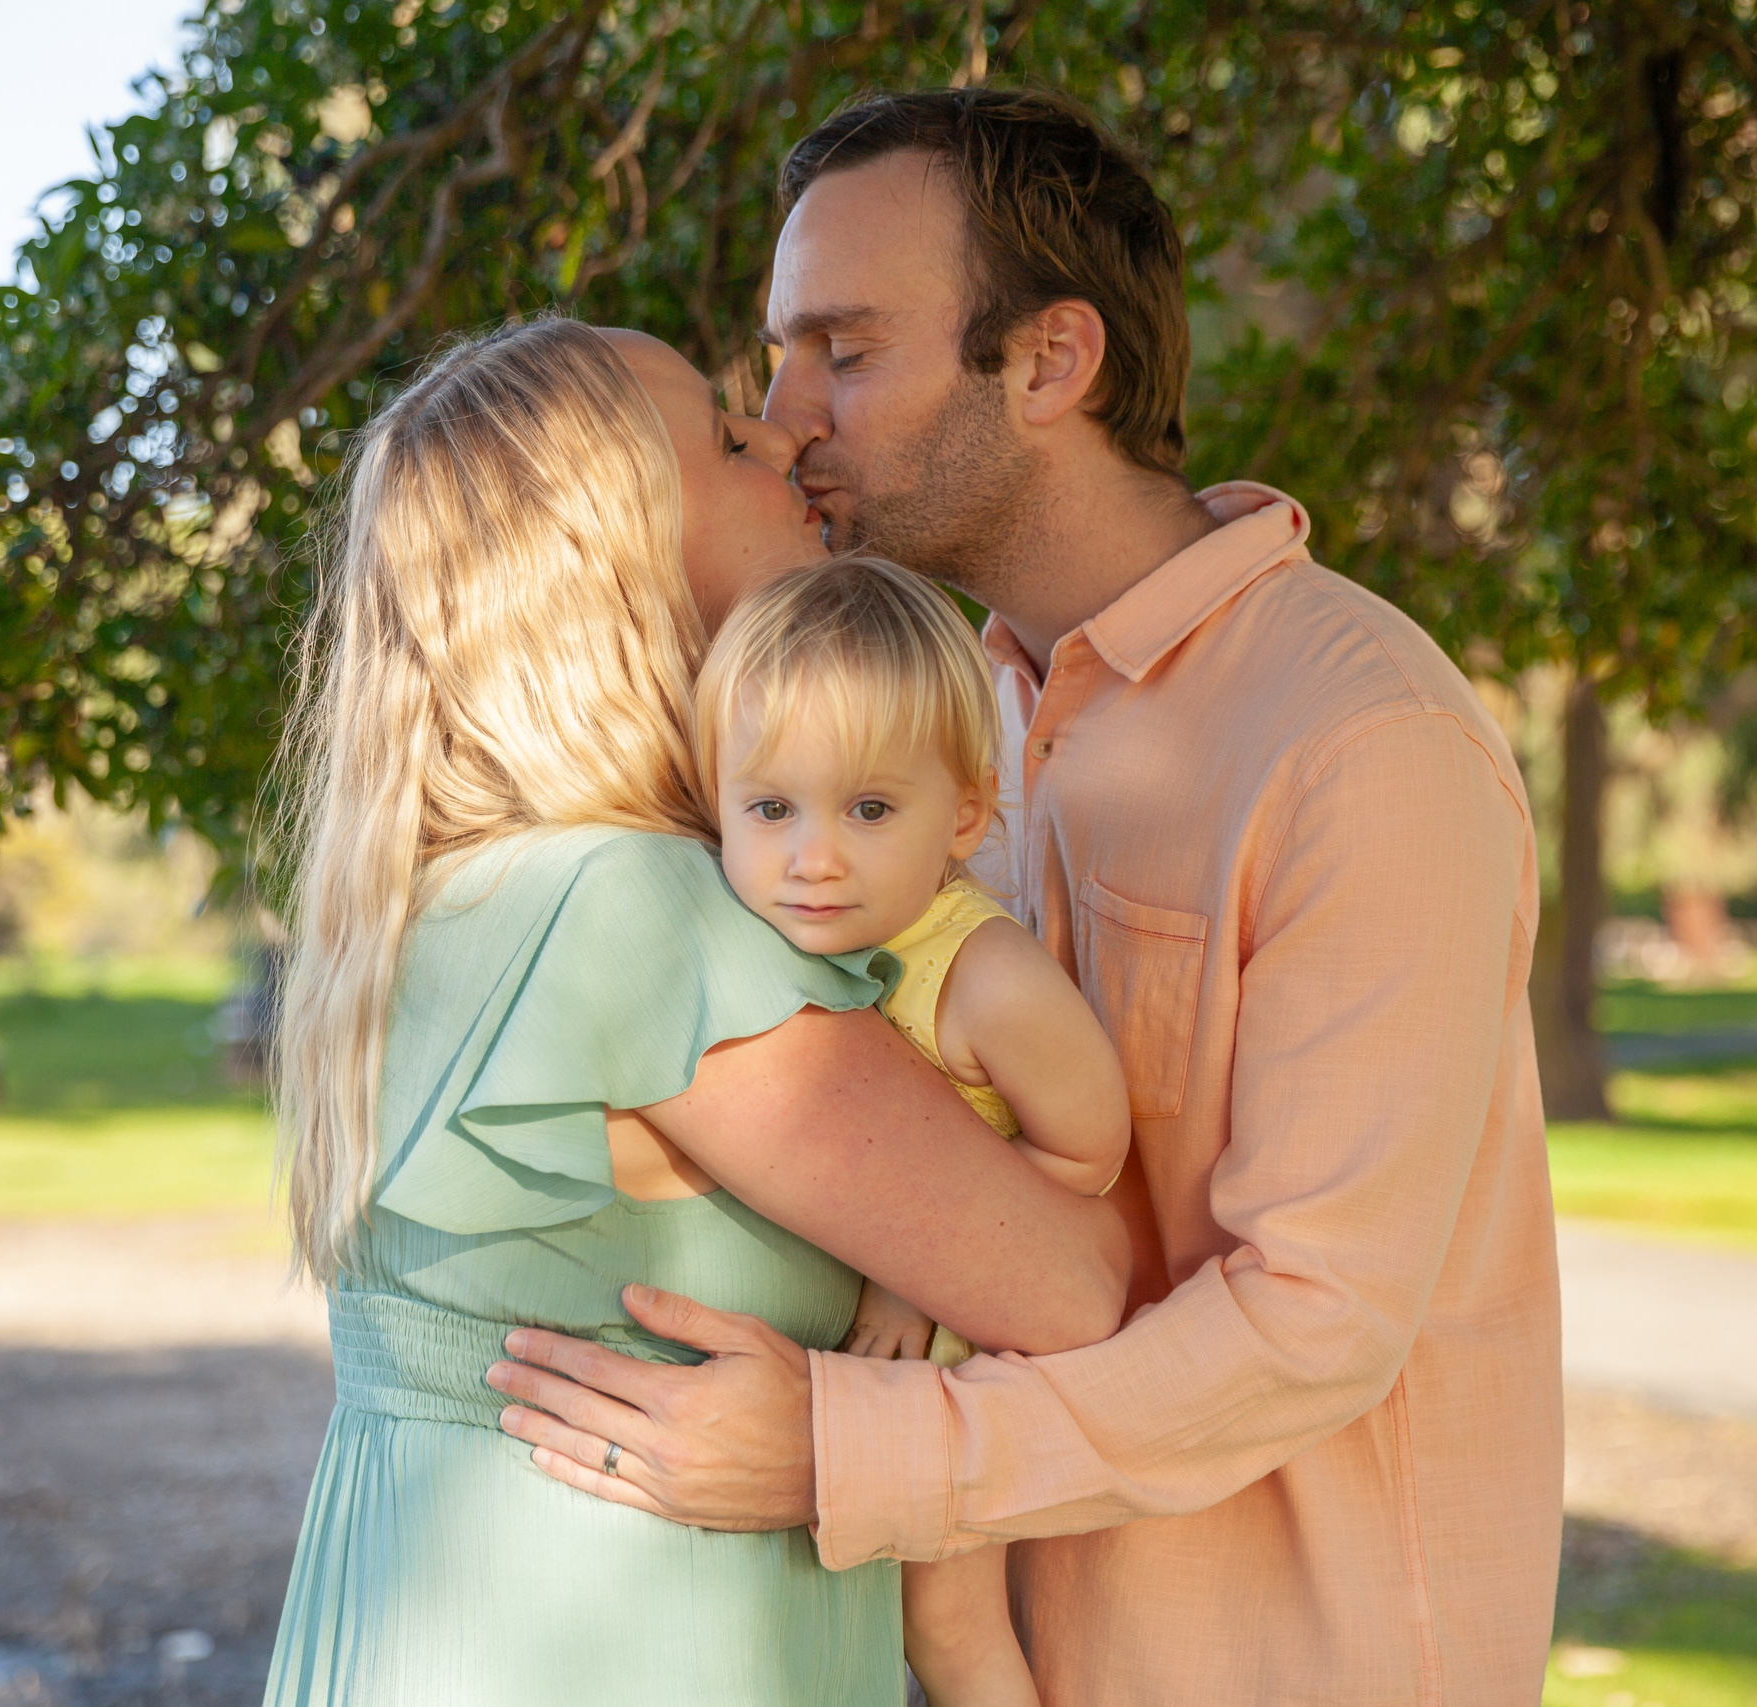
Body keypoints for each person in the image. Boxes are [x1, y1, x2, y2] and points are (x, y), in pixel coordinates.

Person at [488, 88, 1564, 1705]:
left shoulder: (1363, 741)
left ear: (1052, 363)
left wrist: (846, 1452)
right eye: (776, 357)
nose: (783, 419)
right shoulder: (938, 726)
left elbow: (1319, 1319)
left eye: (841, 350)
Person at [256, 313, 1128, 1707]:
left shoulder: (461, 890)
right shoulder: (637, 916)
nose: (786, 435)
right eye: (728, 440)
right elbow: (1074, 1287)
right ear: (613, 556)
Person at [695, 554, 1132, 1707]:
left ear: (967, 813)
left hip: (963, 1346)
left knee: (947, 1626)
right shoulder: (758, 939)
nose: (815, 856)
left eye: (871, 809)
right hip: (839, 1368)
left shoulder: (981, 977)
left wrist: (922, 1272)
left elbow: (1090, 1147)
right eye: (771, 808)